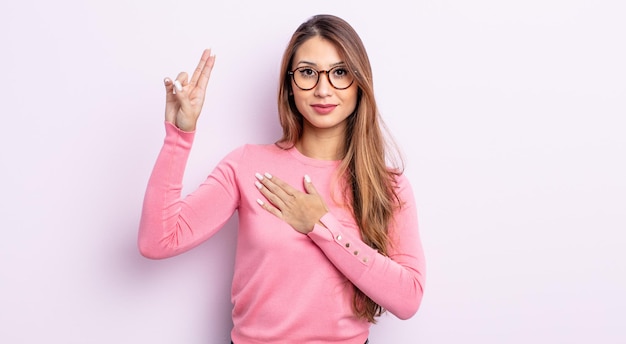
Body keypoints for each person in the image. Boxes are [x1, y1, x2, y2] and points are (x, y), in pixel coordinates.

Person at [138, 14, 426, 344]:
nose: (322, 89)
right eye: (307, 72)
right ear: (289, 85)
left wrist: (323, 226)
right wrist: (179, 136)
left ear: (360, 83)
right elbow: (156, 241)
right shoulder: (247, 165)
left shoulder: (386, 185)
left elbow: (409, 298)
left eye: (340, 72)